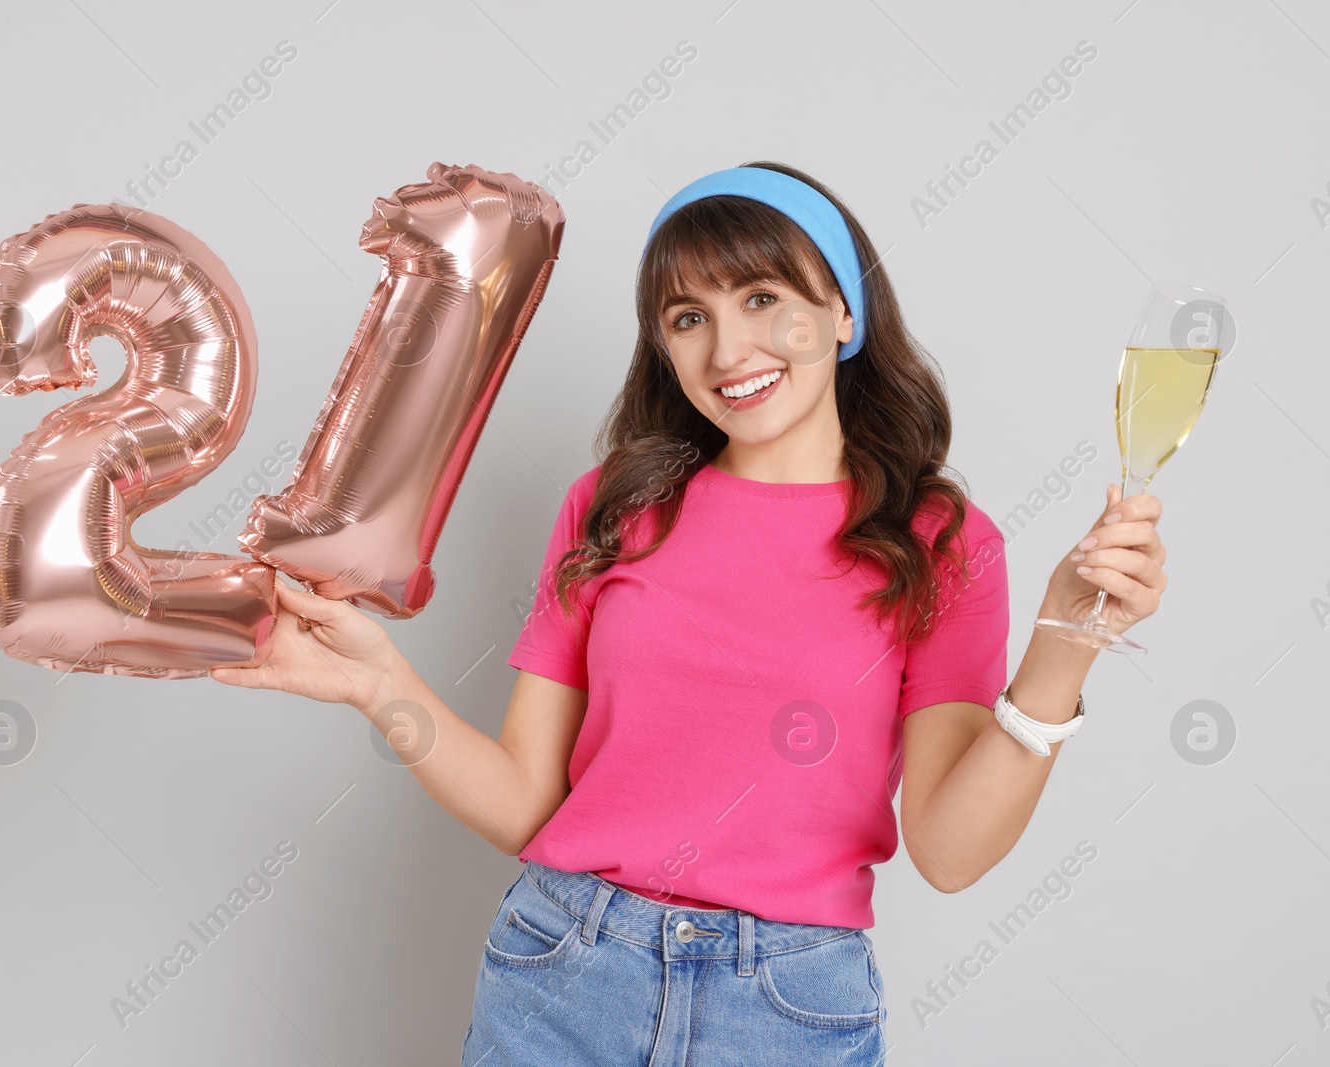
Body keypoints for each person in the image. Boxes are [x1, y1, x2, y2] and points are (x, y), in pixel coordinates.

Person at [209, 161, 1168, 1065]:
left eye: (762, 300)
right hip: (562, 970)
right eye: (687, 316)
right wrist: (384, 688)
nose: (727, 349)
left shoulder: (941, 540)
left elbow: (951, 852)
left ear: (842, 310)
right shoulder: (612, 508)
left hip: (787, 1005)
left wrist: (1067, 646)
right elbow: (529, 803)